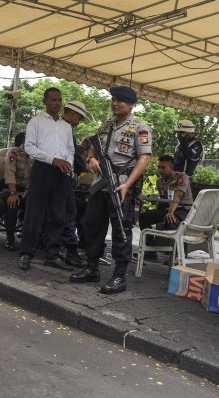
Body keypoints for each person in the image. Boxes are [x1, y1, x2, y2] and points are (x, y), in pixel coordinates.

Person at [70, 86, 152, 294]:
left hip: (122, 186)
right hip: (99, 186)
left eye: (121, 101)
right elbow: (92, 147)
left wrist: (128, 184)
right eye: (113, 100)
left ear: (131, 105)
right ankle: (92, 268)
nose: (115, 104)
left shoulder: (140, 128)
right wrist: (91, 158)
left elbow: (144, 158)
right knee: (92, 226)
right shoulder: (105, 126)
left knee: (121, 231)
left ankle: (119, 276)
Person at [17, 87, 74, 271]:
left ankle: (53, 255)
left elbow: (71, 149)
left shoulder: (66, 126)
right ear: (45, 101)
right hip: (42, 170)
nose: (56, 103)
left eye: (59, 100)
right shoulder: (36, 121)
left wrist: (68, 163)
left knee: (58, 215)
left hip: (61, 173)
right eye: (52, 99)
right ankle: (26, 253)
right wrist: (52, 160)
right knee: (34, 213)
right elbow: (29, 147)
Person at [138, 155, 193, 260]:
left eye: (163, 167)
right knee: (143, 217)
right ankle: (151, 249)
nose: (160, 170)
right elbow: (165, 200)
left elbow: (177, 197)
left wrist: (171, 212)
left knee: (170, 220)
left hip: (183, 210)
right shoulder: (160, 181)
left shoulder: (181, 177)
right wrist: (154, 201)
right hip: (168, 209)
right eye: (159, 167)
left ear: (171, 168)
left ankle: (178, 256)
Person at [59, 100, 89, 268]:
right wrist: (86, 167)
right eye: (79, 119)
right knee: (70, 215)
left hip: (59, 178)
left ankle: (58, 250)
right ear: (72, 114)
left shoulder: (60, 127)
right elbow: (75, 158)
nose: (79, 123)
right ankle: (71, 252)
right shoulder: (66, 128)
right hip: (64, 178)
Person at [2, 131, 32, 251]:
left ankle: (34, 238)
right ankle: (10, 238)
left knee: (39, 206)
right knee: (12, 204)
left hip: (26, 191)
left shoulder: (37, 156)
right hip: (10, 189)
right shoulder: (14, 152)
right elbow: (10, 173)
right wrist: (13, 193)